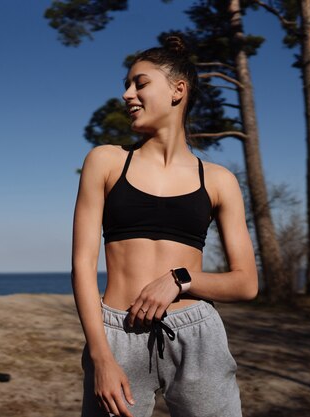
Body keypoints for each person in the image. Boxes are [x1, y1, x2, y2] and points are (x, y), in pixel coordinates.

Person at [71, 35, 258, 417]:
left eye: (140, 83)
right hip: (116, 335)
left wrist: (180, 279)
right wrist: (101, 357)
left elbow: (246, 283)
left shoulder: (218, 179)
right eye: (127, 85)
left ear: (177, 90)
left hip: (196, 335)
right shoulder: (106, 162)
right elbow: (82, 266)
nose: (127, 94)